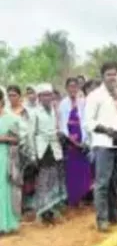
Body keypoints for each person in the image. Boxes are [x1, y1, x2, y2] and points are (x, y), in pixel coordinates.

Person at [84, 62, 117, 232]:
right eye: (109, 74)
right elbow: (89, 122)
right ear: (103, 76)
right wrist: (107, 130)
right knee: (102, 182)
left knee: (115, 181)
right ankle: (102, 219)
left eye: (114, 74)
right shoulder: (95, 96)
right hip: (103, 142)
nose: (112, 77)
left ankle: (114, 214)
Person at [32, 84, 67, 224]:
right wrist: (33, 155)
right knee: (44, 181)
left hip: (55, 147)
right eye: (44, 95)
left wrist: (60, 134)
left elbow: (60, 128)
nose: (47, 97)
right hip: (42, 149)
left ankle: (53, 210)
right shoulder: (35, 112)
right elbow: (31, 134)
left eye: (49, 94)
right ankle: (43, 213)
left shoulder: (55, 110)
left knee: (55, 179)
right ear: (39, 97)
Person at [59, 77, 92, 207]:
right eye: (70, 86)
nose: (73, 89)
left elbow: (86, 121)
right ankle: (73, 199)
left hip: (82, 139)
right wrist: (70, 139)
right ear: (67, 88)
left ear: (78, 88)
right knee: (71, 170)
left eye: (75, 86)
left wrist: (84, 141)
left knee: (83, 169)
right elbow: (62, 124)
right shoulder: (63, 104)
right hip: (69, 141)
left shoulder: (83, 102)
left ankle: (83, 197)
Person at [6, 85, 36, 212]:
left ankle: (25, 207)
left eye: (14, 95)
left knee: (24, 178)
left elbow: (29, 132)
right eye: (9, 95)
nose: (12, 97)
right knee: (9, 178)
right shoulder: (5, 111)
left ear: (20, 96)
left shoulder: (26, 112)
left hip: (23, 149)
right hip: (7, 149)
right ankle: (11, 208)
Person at [0, 89, 22, 235]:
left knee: (5, 190)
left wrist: (5, 139)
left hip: (6, 158)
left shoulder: (12, 118)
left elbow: (18, 139)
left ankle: (6, 224)